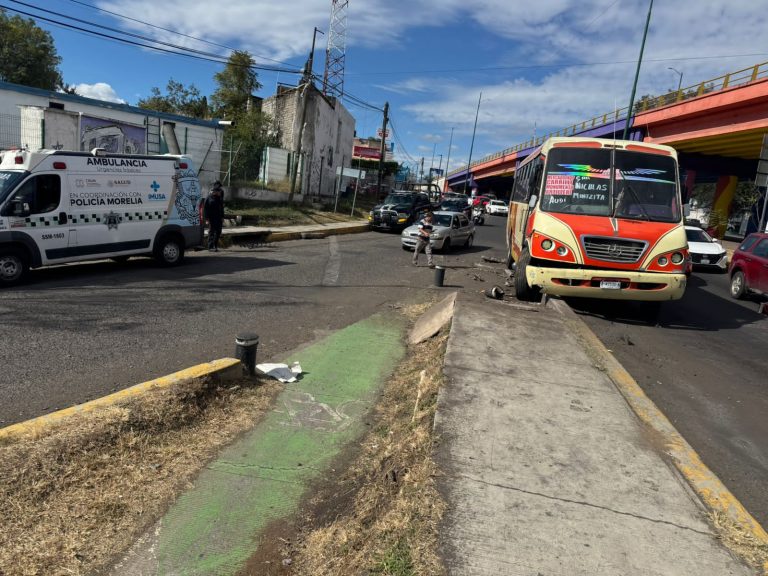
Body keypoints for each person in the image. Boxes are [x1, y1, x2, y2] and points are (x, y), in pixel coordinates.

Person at [204, 181, 225, 251]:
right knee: (211, 231)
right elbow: (205, 208)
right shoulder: (209, 198)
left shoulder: (220, 198)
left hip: (219, 217)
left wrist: (222, 216)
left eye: (220, 191)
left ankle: (215, 246)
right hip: (211, 218)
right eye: (218, 191)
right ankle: (210, 247)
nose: (219, 193)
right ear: (214, 191)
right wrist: (206, 219)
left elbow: (221, 207)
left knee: (218, 231)